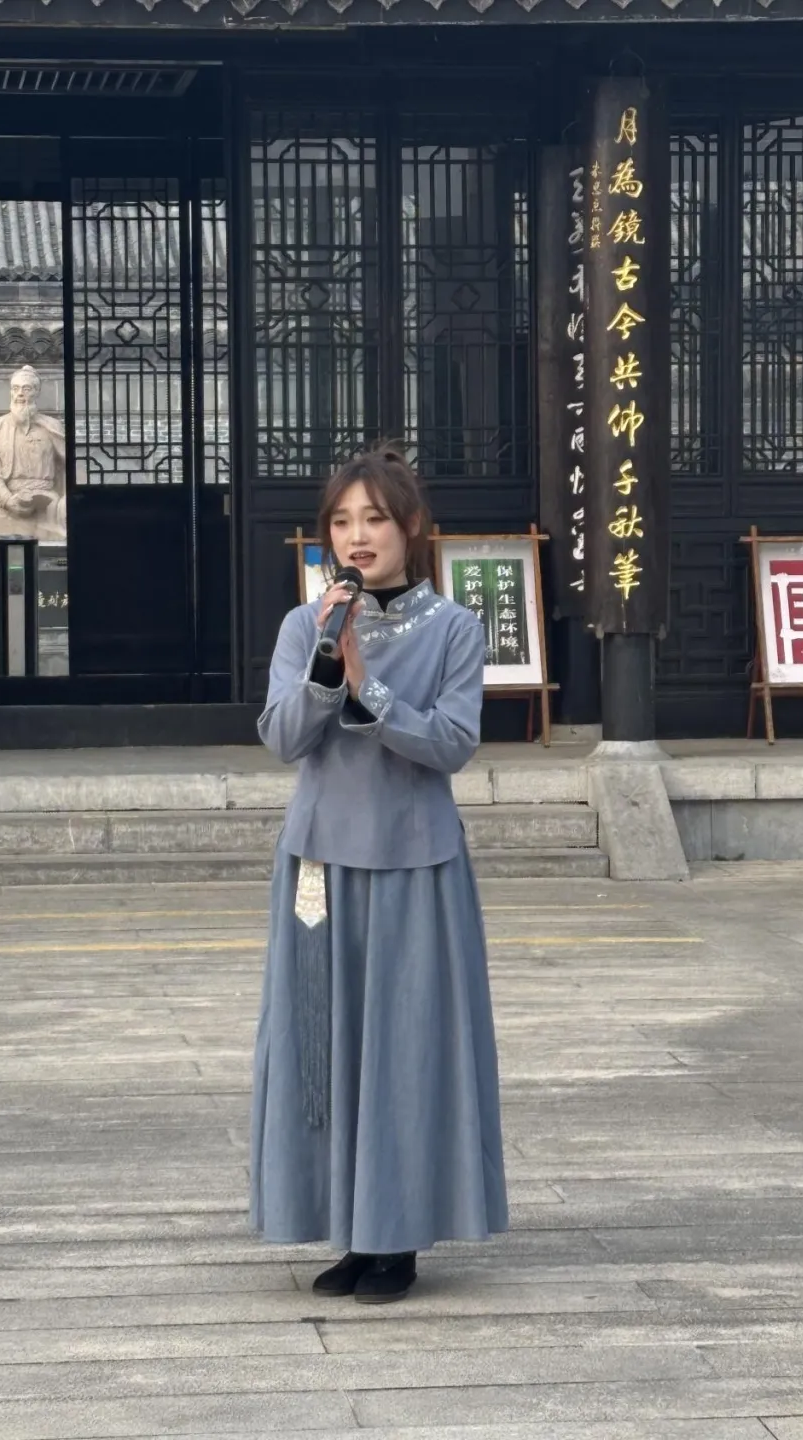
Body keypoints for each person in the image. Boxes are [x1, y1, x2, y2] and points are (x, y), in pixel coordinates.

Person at [250, 446, 508, 1304]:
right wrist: (331, 668)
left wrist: (374, 689)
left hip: (414, 861)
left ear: (412, 527)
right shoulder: (306, 625)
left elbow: (453, 744)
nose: (357, 536)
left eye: (375, 519)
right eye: (341, 521)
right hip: (319, 863)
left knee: (405, 1044)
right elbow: (282, 737)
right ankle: (346, 1230)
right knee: (319, 1047)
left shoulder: (454, 628)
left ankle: (397, 1239)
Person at [0, 365, 66, 543]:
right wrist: (7, 500)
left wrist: (66, 501)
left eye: (26, 389)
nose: (20, 394)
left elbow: (70, 469)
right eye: (15, 388)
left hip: (47, 505)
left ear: (36, 392)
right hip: (6, 504)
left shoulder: (52, 427)